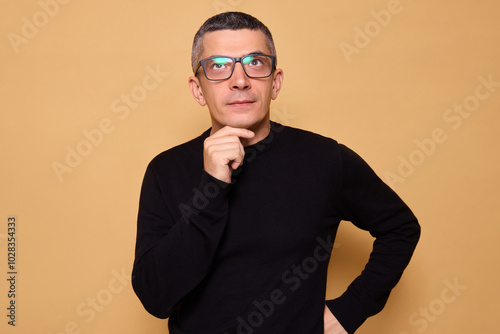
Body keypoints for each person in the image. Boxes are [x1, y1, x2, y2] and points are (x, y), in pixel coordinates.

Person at [131, 11, 420, 334]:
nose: (240, 80)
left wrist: (350, 310)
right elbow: (155, 298)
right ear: (198, 90)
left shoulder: (325, 160)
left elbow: (401, 228)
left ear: (275, 82)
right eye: (219, 66)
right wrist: (211, 187)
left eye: (255, 62)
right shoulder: (165, 170)